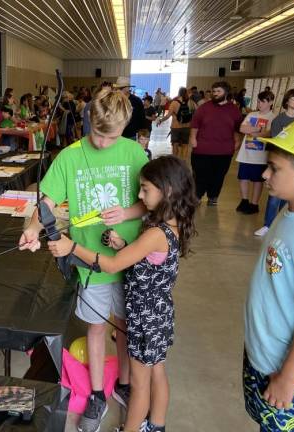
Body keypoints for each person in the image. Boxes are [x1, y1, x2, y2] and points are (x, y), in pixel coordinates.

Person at [19, 88, 148, 432]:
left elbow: (152, 203)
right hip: (89, 262)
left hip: (128, 257)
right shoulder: (70, 157)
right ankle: (95, 394)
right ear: (89, 120)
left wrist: (126, 211)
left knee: (124, 328)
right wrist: (34, 228)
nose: (104, 143)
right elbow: (46, 203)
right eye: (98, 134)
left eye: (112, 136)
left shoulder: (135, 152)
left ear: (125, 127)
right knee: (96, 326)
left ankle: (122, 382)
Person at [48, 156, 198, 432]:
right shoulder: (173, 225)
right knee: (157, 373)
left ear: (166, 191)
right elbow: (147, 259)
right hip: (160, 316)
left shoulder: (155, 233)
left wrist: (73, 248)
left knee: (140, 386)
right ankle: (156, 426)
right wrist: (123, 244)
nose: (140, 195)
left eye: (145, 189)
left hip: (144, 321)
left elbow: (114, 265)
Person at [243, 117, 294, 432]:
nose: (265, 174)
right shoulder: (289, 210)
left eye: (274, 168)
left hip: (293, 375)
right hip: (265, 357)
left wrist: (289, 376)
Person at [254, 89, 294, 236]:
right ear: (287, 101)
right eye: (293, 98)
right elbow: (277, 143)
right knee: (274, 196)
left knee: (290, 196)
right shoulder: (279, 120)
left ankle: (285, 225)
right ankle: (268, 225)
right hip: (281, 162)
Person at [189, 81, 242, 206]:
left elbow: (238, 128)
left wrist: (237, 141)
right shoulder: (204, 108)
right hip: (202, 150)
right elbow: (195, 125)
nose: (215, 94)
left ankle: (213, 196)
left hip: (224, 151)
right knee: (200, 175)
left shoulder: (233, 110)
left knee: (218, 176)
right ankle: (197, 196)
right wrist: (193, 139)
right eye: (214, 91)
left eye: (218, 91)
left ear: (226, 93)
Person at [235, 90, 275, 215]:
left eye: (263, 101)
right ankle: (244, 201)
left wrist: (252, 131)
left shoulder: (272, 117)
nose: (259, 104)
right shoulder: (251, 115)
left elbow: (268, 133)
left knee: (258, 180)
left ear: (270, 102)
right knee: (243, 178)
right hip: (246, 153)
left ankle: (254, 203)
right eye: (258, 101)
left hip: (261, 155)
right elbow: (242, 128)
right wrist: (258, 129)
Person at [157, 87, 197, 160]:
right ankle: (183, 160)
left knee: (175, 144)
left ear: (179, 93)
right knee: (185, 145)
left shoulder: (174, 103)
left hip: (175, 127)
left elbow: (168, 116)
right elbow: (196, 114)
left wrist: (160, 120)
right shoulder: (191, 102)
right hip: (187, 127)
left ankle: (175, 160)